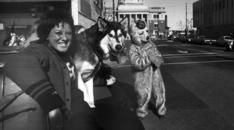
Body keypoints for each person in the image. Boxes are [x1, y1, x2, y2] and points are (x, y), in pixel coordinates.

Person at [4, 15, 144, 130]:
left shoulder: (65, 53)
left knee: (128, 116)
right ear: (46, 35)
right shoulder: (41, 51)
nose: (64, 38)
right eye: (58, 33)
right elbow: (17, 62)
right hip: (68, 119)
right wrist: (51, 104)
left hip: (83, 111)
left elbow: (82, 79)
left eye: (68, 33)